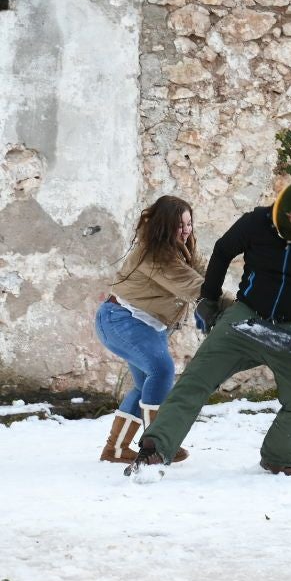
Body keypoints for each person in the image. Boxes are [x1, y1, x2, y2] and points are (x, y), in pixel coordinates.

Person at [127, 180, 291, 479]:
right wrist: (209, 297)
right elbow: (222, 251)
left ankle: (279, 459)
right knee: (195, 381)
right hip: (244, 317)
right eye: (287, 217)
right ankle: (155, 450)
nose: (290, 223)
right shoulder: (257, 221)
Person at [94, 195, 205, 464]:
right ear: (165, 225)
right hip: (122, 319)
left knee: (146, 385)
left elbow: (203, 275)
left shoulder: (184, 245)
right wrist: (233, 303)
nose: (186, 229)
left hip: (148, 325)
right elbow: (194, 287)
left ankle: (116, 449)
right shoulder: (155, 254)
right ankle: (157, 443)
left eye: (189, 223)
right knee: (161, 369)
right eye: (180, 225)